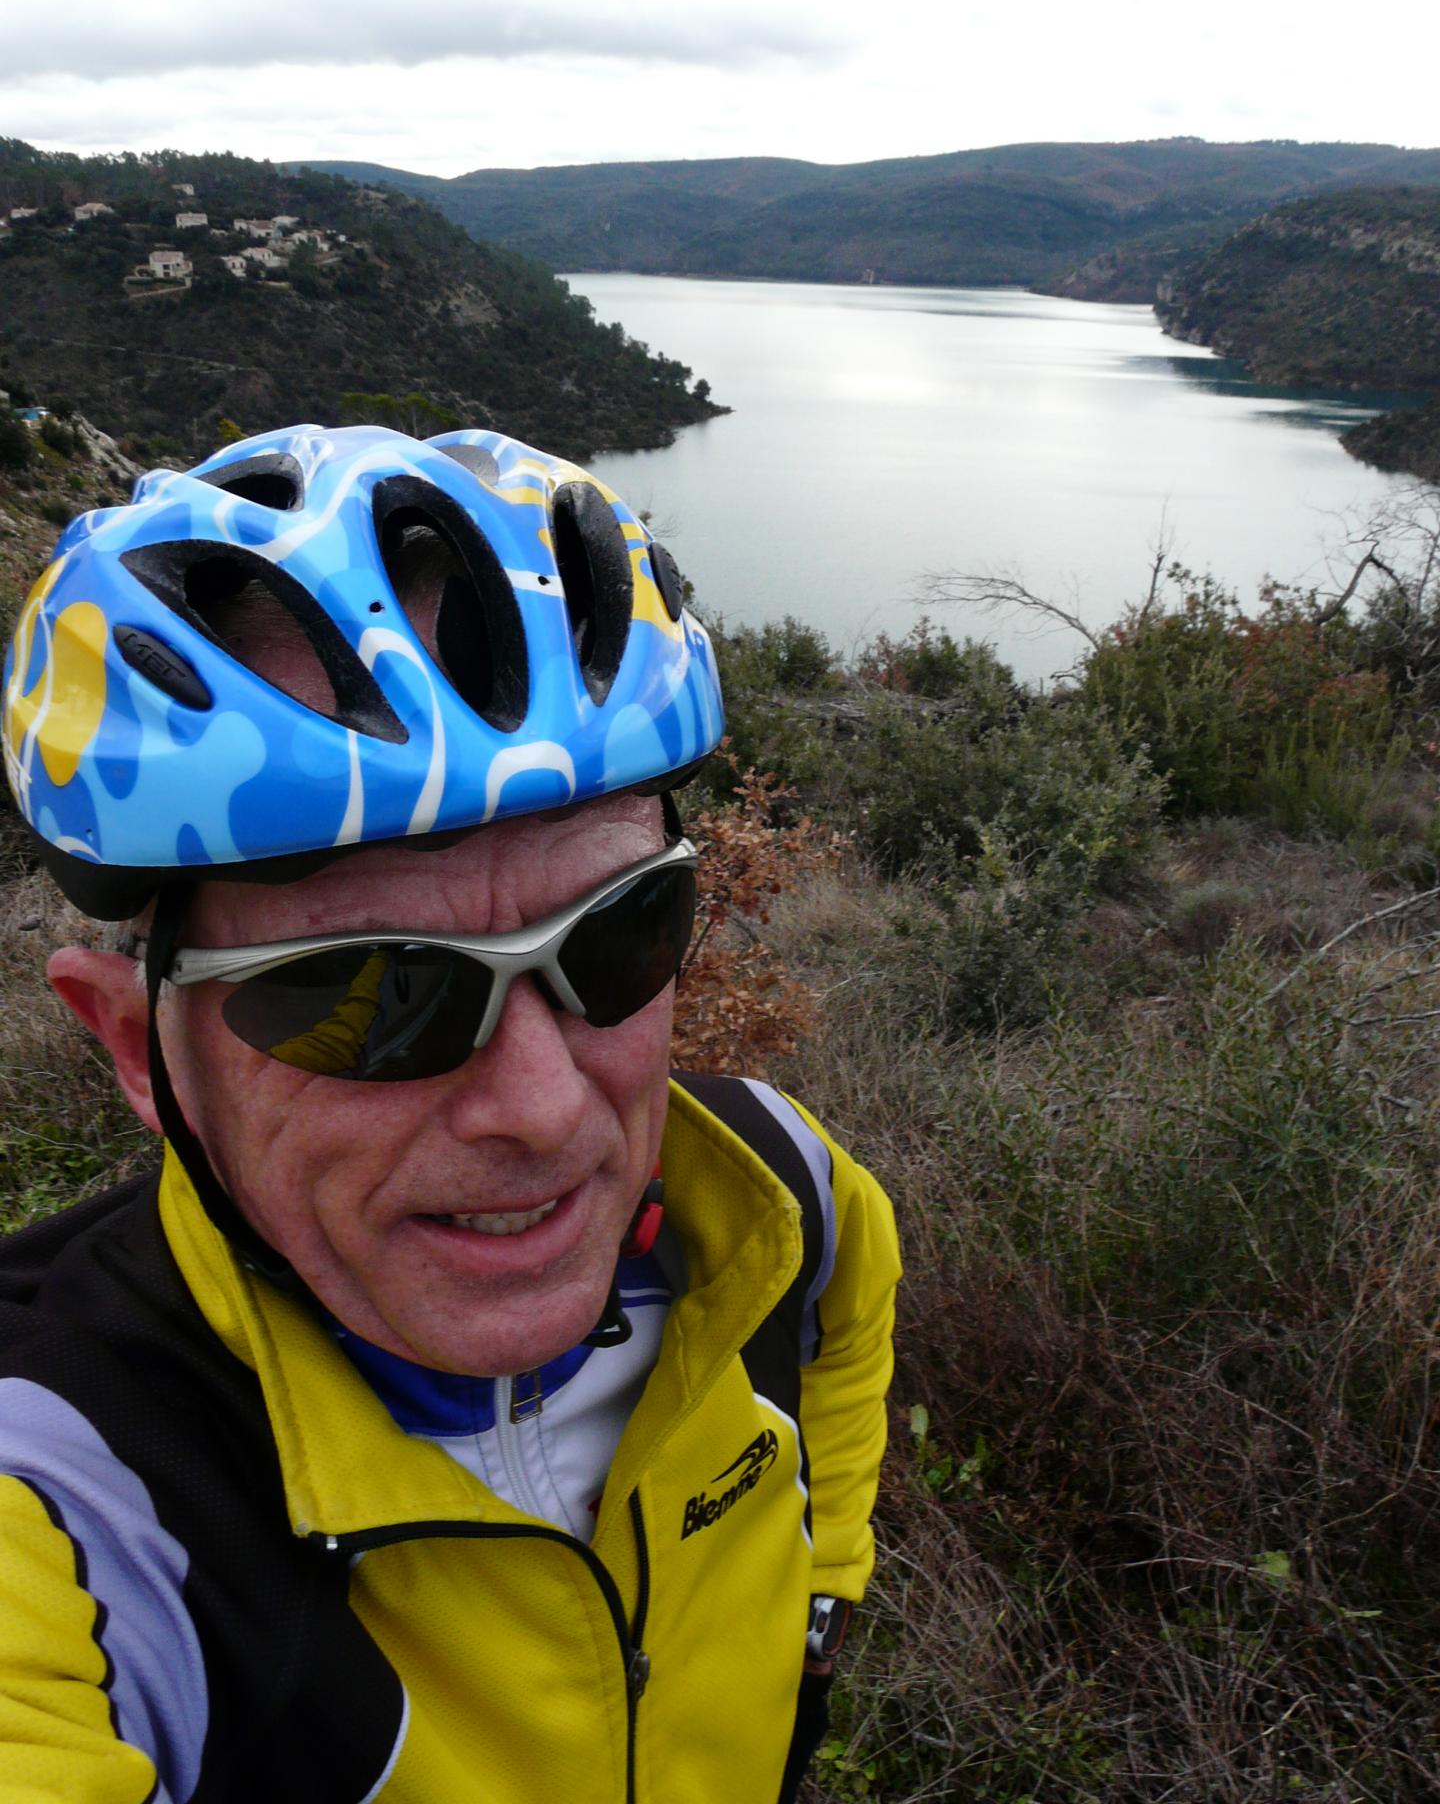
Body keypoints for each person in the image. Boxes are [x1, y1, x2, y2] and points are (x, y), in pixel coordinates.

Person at [0, 423, 900, 1803]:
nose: (540, 1111)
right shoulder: (61, 1504)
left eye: (619, 935)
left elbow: (839, 1337)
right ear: (136, 1047)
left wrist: (821, 1606)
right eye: (373, 997)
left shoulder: (782, 1200)